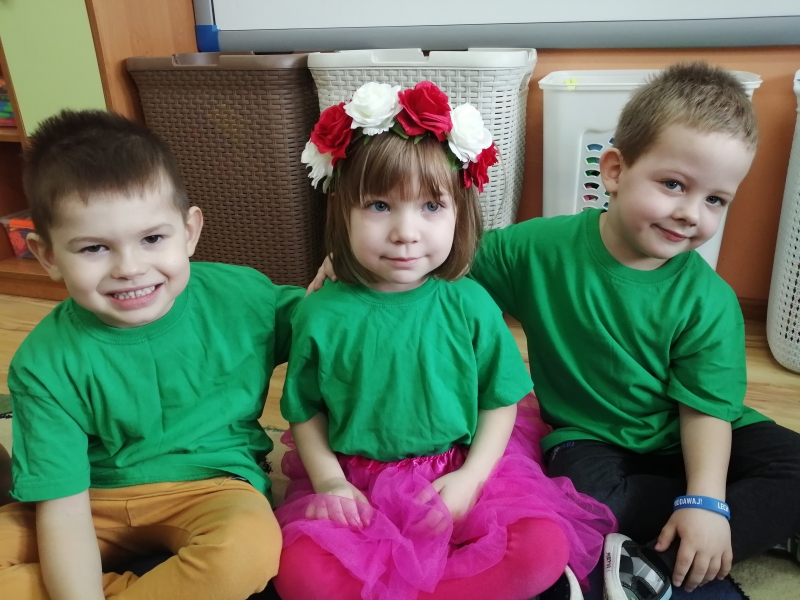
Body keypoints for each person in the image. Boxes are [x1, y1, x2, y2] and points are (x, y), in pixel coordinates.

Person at [466, 63, 800, 599]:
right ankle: (744, 524)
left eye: (715, 200)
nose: (691, 213)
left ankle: (663, 557)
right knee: (585, 498)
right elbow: (448, 264)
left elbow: (705, 411)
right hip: (589, 439)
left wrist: (706, 500)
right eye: (674, 185)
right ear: (615, 171)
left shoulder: (710, 300)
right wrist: (352, 269)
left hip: (692, 432)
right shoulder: (534, 248)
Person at [274, 81, 616, 600]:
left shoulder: (471, 304)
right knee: (299, 573)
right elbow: (305, 411)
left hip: (460, 468)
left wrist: (471, 479)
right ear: (343, 211)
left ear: (459, 212)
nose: (405, 232)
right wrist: (329, 483)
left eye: (431, 207)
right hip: (359, 484)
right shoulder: (319, 314)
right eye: (379, 206)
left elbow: (499, 402)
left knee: (542, 547)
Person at [0, 110, 304, 600]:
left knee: (246, 550)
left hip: (213, 488)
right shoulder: (42, 364)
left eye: (152, 239)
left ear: (189, 231)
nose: (130, 268)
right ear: (48, 256)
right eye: (94, 248)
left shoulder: (243, 297)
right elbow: (63, 508)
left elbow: (331, 327)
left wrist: (358, 277)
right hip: (90, 497)